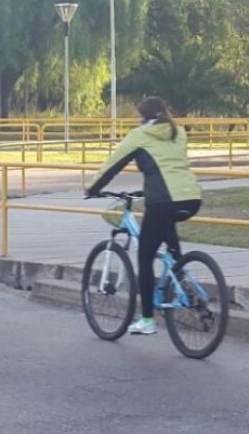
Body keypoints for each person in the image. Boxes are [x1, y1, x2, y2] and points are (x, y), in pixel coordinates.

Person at [85, 96, 203, 335]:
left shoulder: (140, 135)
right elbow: (169, 166)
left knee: (145, 258)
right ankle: (180, 282)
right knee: (167, 236)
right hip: (191, 198)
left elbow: (113, 164)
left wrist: (93, 188)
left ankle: (147, 320)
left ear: (143, 116)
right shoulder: (177, 132)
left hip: (162, 201)